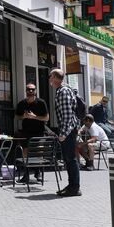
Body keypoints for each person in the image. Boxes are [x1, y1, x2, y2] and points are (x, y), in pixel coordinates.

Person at [49, 69, 81, 197]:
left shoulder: (62, 92)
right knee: (68, 159)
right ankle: (71, 185)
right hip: (70, 129)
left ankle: (74, 188)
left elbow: (67, 115)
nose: (50, 79)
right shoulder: (64, 90)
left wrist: (63, 134)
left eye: (51, 76)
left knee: (70, 159)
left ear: (56, 77)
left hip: (68, 130)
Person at [15, 83, 49, 183]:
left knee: (38, 151)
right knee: (25, 152)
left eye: (32, 90)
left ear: (35, 91)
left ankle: (38, 173)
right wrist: (24, 117)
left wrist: (34, 117)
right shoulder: (22, 103)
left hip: (39, 131)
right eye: (28, 89)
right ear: (26, 91)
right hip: (26, 131)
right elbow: (17, 116)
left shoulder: (41, 102)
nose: (30, 91)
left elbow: (46, 118)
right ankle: (26, 175)